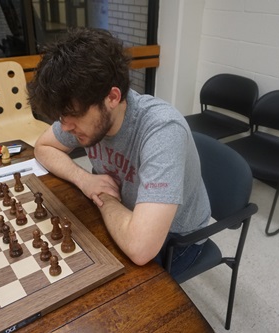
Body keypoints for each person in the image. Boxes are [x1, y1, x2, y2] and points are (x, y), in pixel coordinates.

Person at [28, 27, 211, 277]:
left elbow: (141, 248)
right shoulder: (83, 115)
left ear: (112, 97)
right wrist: (85, 180)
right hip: (126, 214)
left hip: (176, 239)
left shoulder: (162, 130)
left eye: (73, 115)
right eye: (61, 116)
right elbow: (43, 146)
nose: (65, 127)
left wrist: (106, 198)